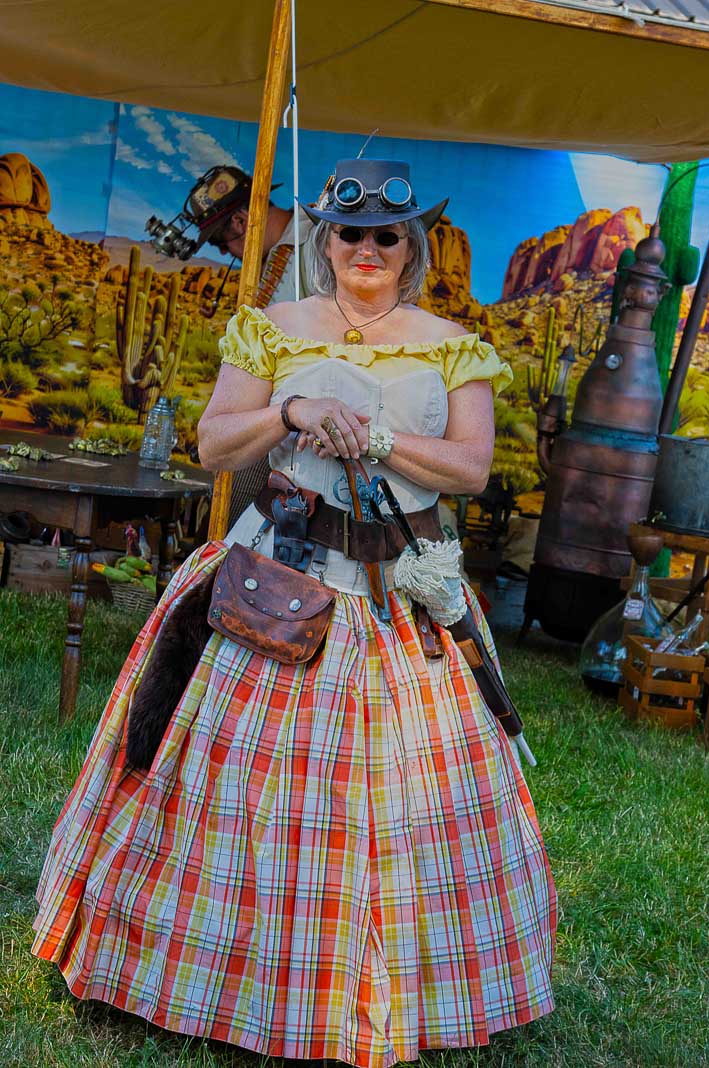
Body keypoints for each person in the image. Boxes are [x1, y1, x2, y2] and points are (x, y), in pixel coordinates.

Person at [32, 158, 556, 1067]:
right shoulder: (272, 329)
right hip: (279, 582)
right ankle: (209, 972)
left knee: (403, 799)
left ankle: (393, 990)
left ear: (410, 247)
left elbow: (471, 467)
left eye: (386, 234)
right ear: (325, 239)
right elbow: (213, 444)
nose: (366, 248)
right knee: (231, 790)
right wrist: (294, 409)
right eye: (349, 232)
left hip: (399, 592)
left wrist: (379, 436)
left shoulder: (451, 344)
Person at [186, 164, 315, 304]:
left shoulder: (320, 244)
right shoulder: (308, 234)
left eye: (221, 245)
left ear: (240, 221)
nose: (223, 253)